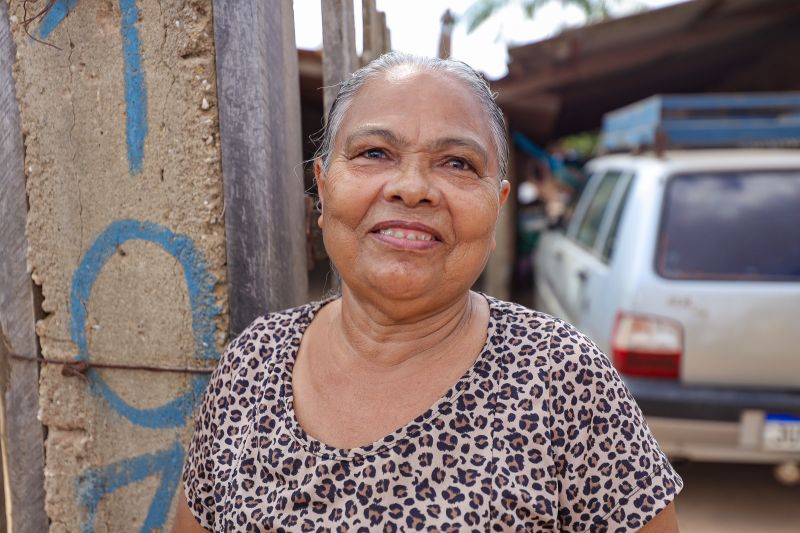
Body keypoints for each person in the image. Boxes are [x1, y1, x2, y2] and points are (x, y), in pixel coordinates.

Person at [173, 52, 681, 532]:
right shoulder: (252, 364)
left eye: (457, 163)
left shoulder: (565, 381)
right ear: (323, 190)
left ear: (497, 204)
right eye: (375, 153)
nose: (412, 187)